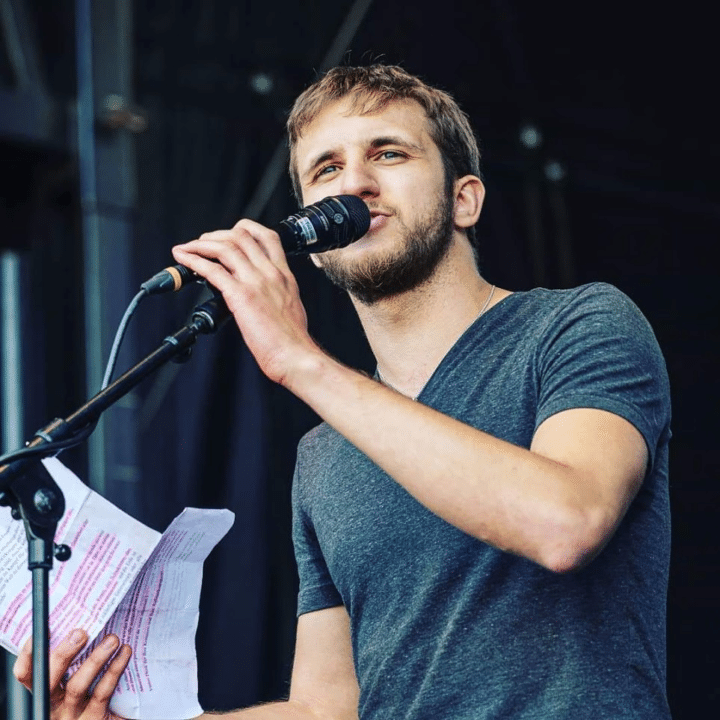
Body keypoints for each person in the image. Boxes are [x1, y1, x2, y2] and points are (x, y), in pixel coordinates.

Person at [14, 64, 671, 719]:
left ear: (465, 199)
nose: (354, 182)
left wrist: (302, 362)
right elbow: (327, 709)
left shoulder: (578, 325)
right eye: (326, 170)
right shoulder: (325, 453)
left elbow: (566, 522)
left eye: (389, 152)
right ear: (315, 237)